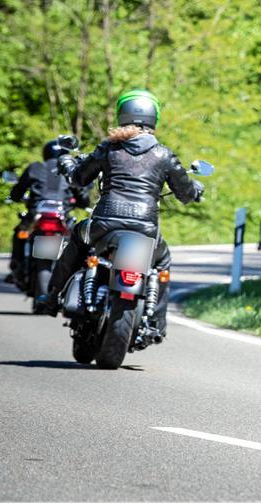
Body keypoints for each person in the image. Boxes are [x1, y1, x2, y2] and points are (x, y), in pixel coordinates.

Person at [45, 89, 203, 336]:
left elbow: (79, 177)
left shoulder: (109, 149)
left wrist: (67, 162)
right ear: (154, 117)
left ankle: (52, 296)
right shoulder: (164, 154)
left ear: (122, 114)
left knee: (77, 236)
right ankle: (156, 325)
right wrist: (196, 189)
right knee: (162, 261)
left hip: (105, 223)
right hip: (144, 227)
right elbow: (184, 194)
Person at [6, 139, 84, 285]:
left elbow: (18, 191)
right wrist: (80, 202)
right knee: (77, 241)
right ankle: (76, 274)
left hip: (37, 214)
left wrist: (16, 197)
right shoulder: (70, 170)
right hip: (62, 216)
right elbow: (82, 195)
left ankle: (16, 267)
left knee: (19, 233)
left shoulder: (36, 167)